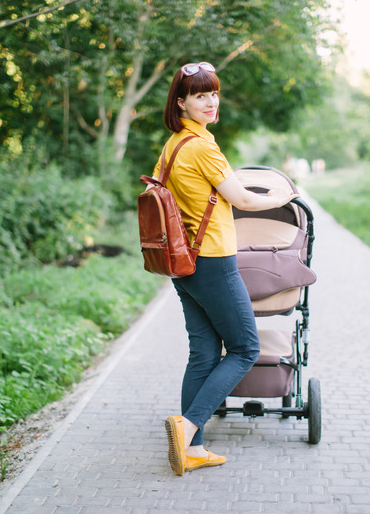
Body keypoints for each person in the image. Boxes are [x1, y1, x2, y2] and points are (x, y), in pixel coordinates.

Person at [155, 62, 298, 476]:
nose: (211, 102)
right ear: (181, 102)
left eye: (214, 93)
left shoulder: (175, 145)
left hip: (182, 262)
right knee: (244, 348)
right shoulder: (202, 147)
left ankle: (192, 449)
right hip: (213, 261)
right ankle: (188, 425)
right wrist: (285, 194)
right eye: (200, 95)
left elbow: (209, 190)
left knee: (202, 353)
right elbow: (244, 200)